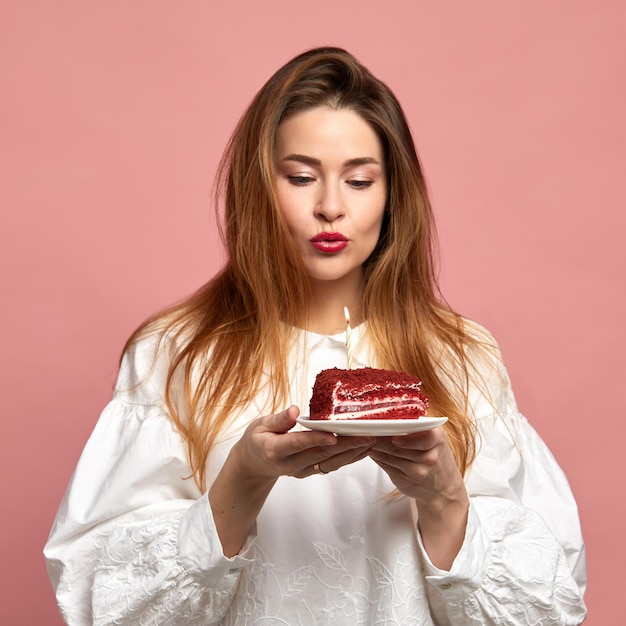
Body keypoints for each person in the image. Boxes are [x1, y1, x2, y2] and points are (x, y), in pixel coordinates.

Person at [44, 47, 587, 625]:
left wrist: (444, 500)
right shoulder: (177, 354)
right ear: (260, 188)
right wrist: (245, 478)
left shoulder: (462, 359)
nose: (330, 207)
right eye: (301, 177)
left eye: (359, 180)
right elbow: (108, 600)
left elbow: (546, 605)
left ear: (392, 195)